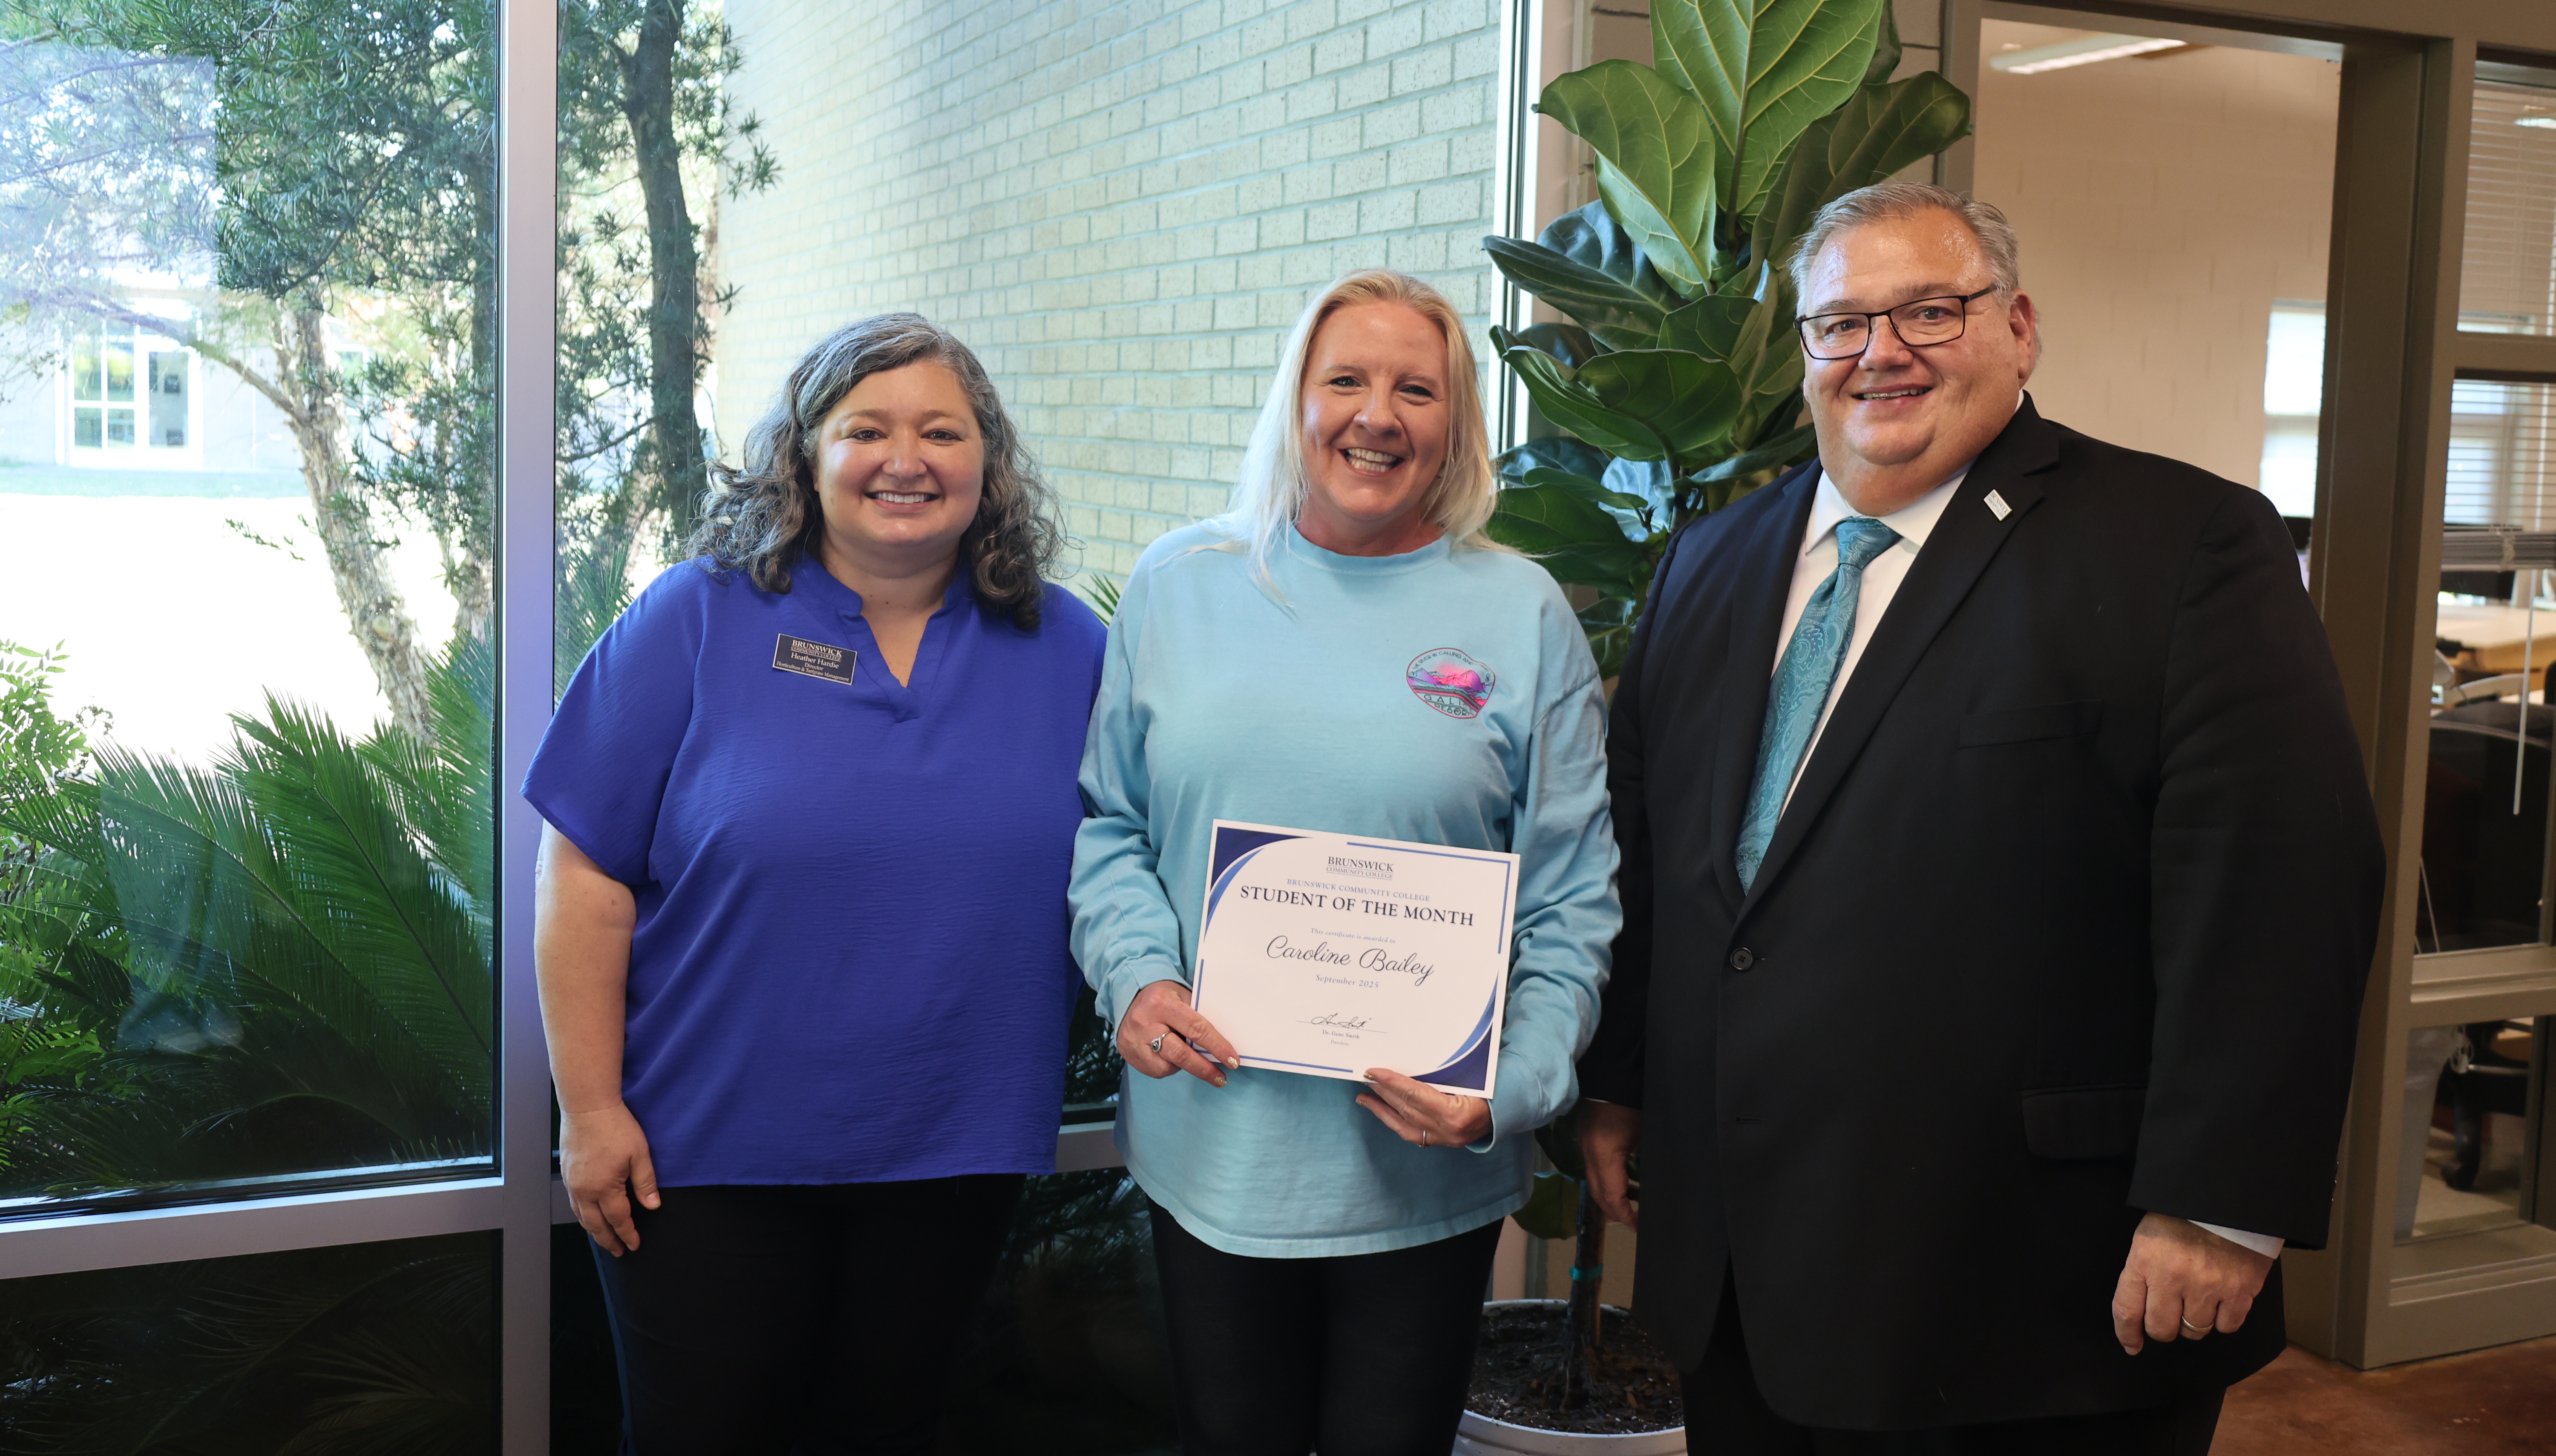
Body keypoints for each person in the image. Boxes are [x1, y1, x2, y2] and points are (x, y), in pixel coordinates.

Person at [1577, 183, 2384, 1454]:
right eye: (1839, 323)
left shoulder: (2182, 546)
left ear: (2018, 328)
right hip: (1742, 1279)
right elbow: (1653, 851)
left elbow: (2279, 885)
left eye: (1928, 312)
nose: (1880, 352)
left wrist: (2219, 1207)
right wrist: (1619, 1089)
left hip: (2036, 1296)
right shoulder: (1711, 559)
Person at [526, 314, 1107, 1455]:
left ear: (987, 462)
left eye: (943, 431)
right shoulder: (696, 618)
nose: (907, 459)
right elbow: (585, 868)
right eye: (867, 430)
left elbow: (1140, 845)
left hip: (950, 1150)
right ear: (805, 455)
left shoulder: (1067, 646)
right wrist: (590, 1113)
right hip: (697, 1159)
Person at [1068, 269, 1622, 1456]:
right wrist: (1139, 979)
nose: (1379, 414)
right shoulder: (1181, 586)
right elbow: (1110, 826)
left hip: (1422, 1185)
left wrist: (1509, 1090)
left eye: (1416, 388)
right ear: (1296, 401)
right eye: (1347, 381)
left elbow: (1573, 894)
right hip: (1215, 1155)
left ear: (1456, 425)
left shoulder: (1522, 616)